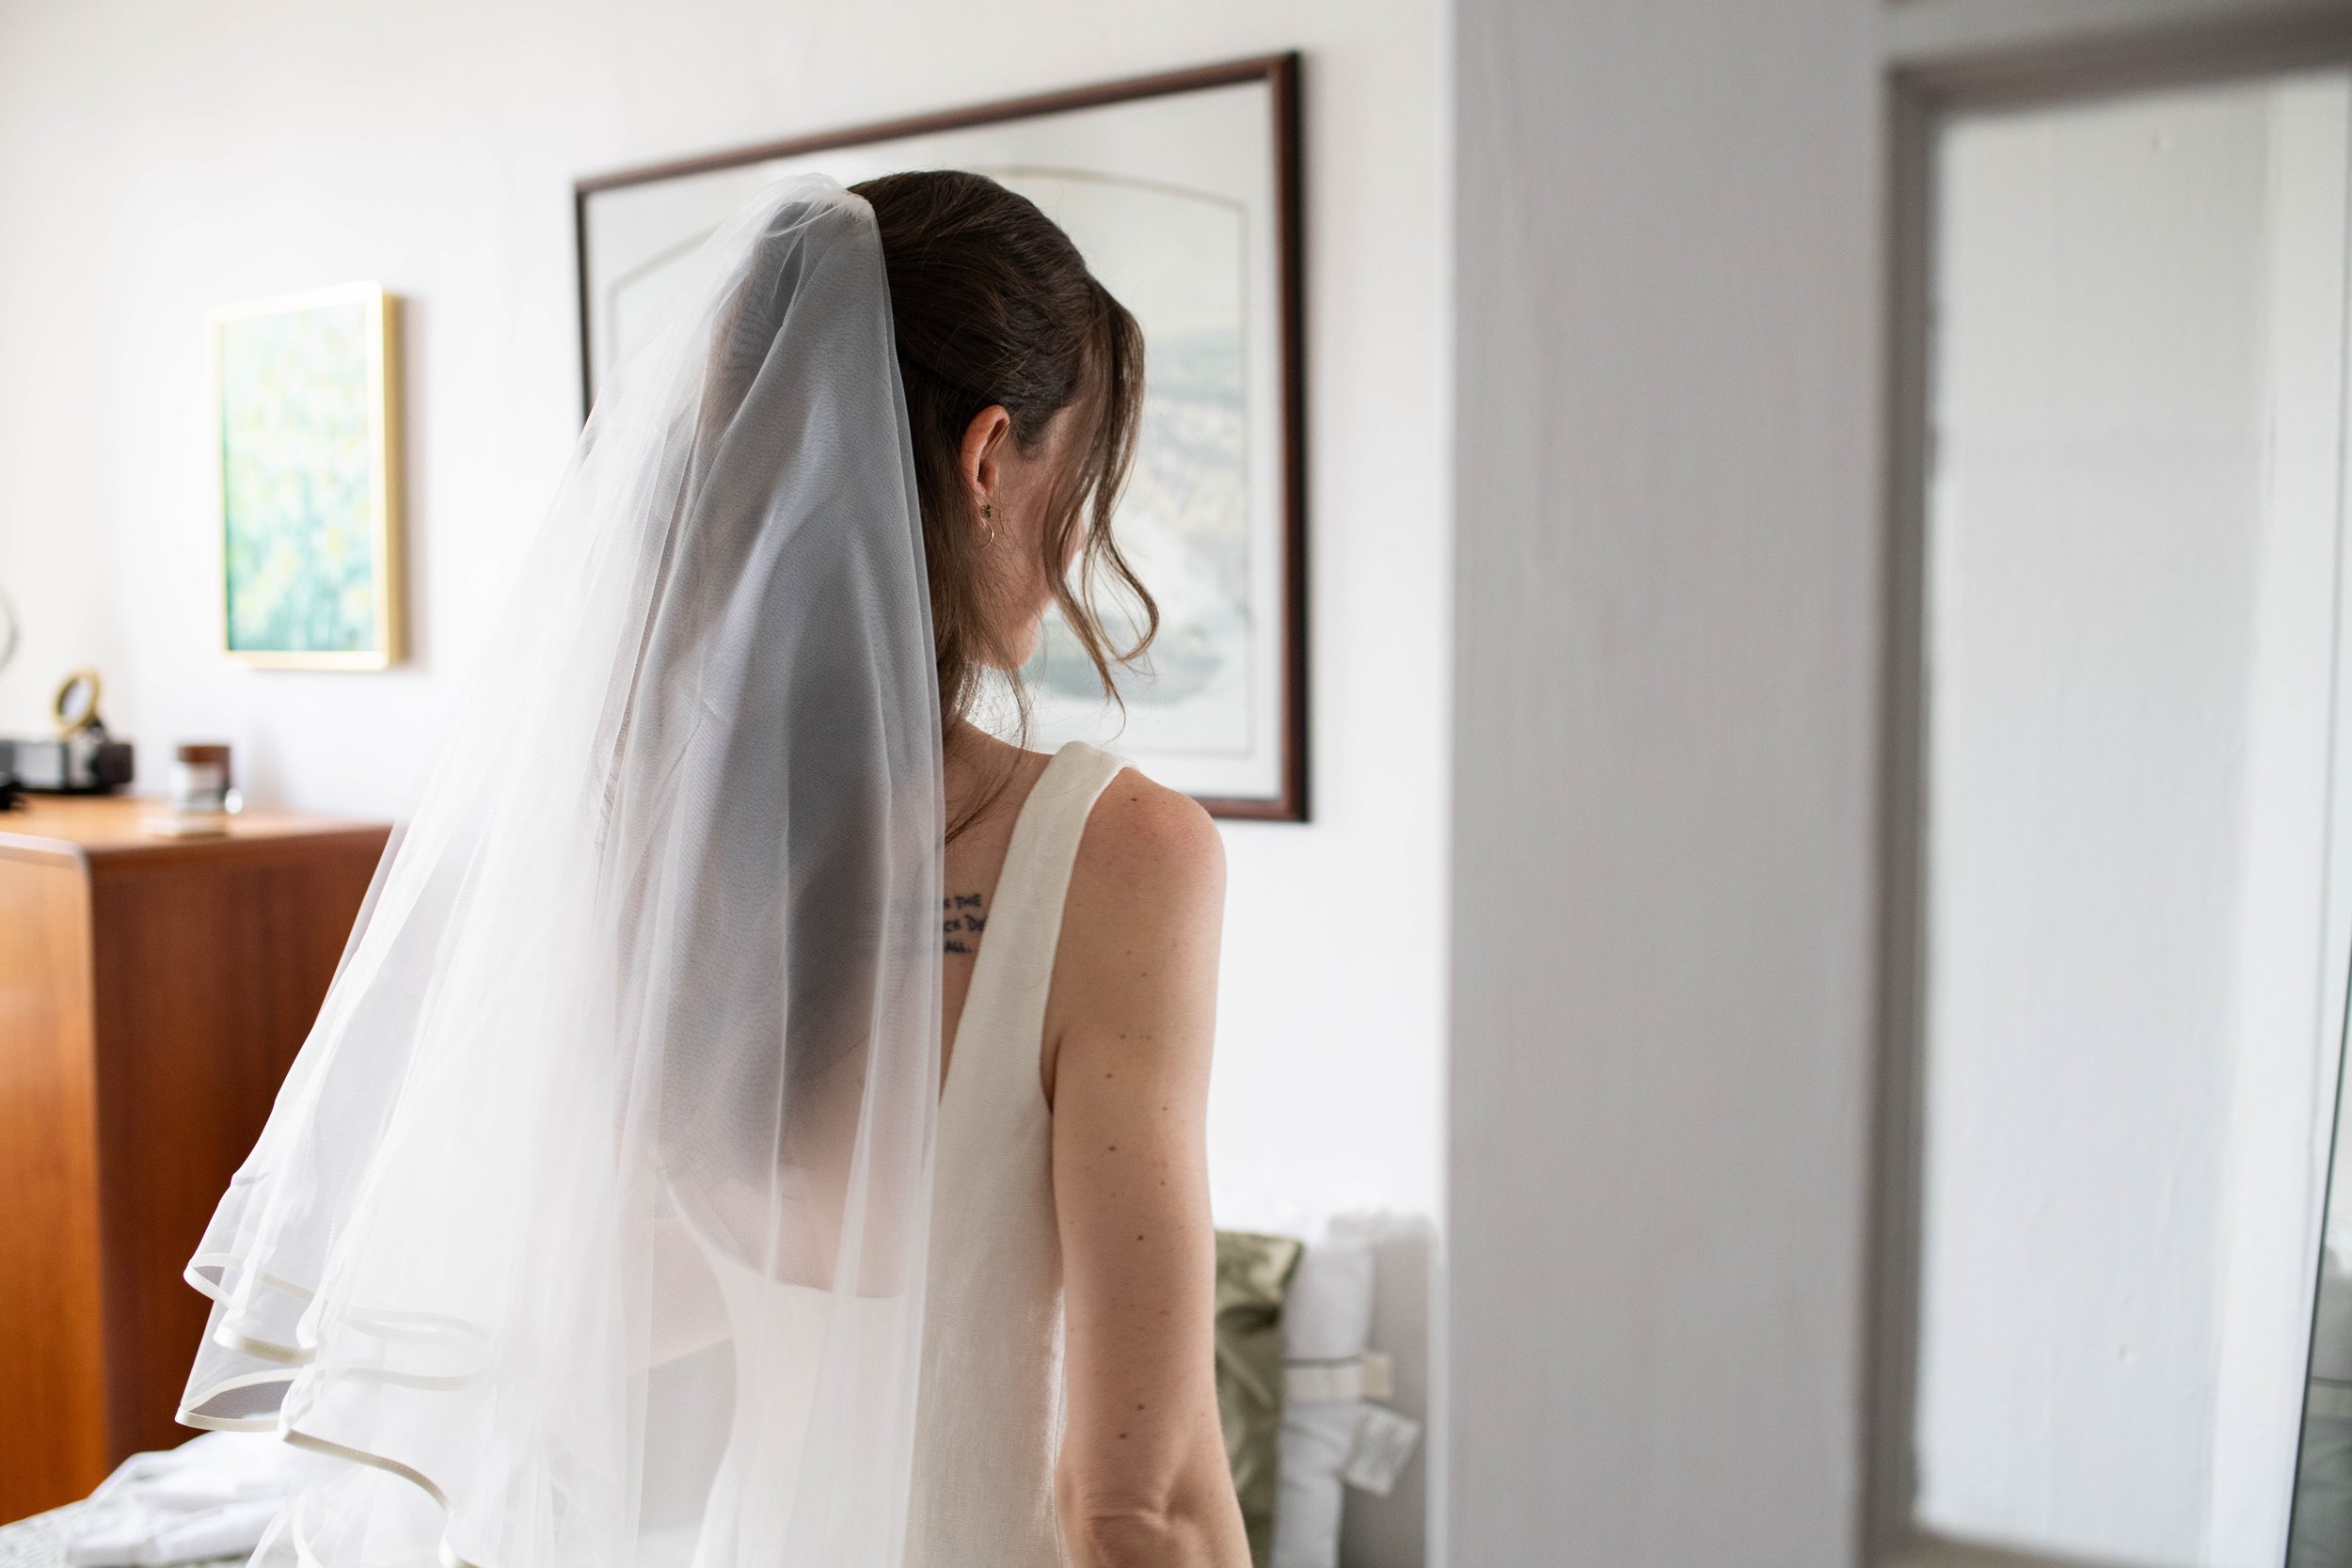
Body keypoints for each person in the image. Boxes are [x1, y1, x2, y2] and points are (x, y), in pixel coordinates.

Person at [174, 171, 1248, 1568]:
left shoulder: (667, 848)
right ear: (990, 458)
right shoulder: (1124, 857)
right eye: (1077, 472)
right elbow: (1138, 1505)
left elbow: (603, 1294)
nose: (1073, 548)